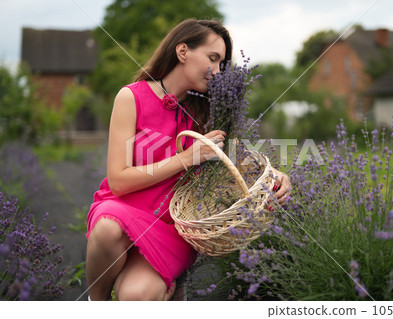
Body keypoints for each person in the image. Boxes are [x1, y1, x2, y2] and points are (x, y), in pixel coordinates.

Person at [85, 18, 291, 301]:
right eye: (213, 58)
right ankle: (95, 301)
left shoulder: (211, 112)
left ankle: (166, 284)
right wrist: (186, 158)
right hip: (121, 211)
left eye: (222, 65)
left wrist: (274, 176)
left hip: (171, 228)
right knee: (108, 228)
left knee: (137, 295)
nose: (218, 72)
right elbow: (118, 181)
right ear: (183, 52)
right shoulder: (131, 97)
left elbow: (235, 160)